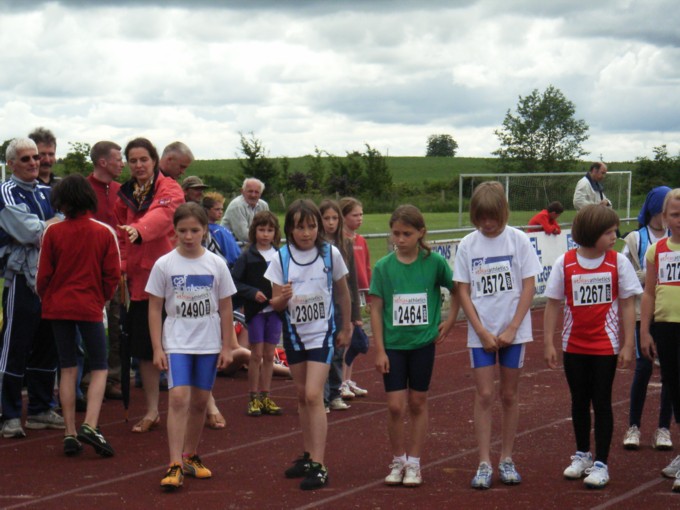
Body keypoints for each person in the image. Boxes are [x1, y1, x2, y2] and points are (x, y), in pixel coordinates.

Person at [453, 181, 542, 489]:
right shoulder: (468, 245)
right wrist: (479, 330)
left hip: (513, 333)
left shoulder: (518, 240)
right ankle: (483, 462)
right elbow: (462, 289)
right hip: (482, 333)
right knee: (485, 394)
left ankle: (506, 457)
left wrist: (514, 327)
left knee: (508, 395)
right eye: (481, 218)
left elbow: (529, 285)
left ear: (503, 213)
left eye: (493, 218)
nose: (488, 224)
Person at [544, 204, 640, 489]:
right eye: (609, 232)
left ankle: (602, 462)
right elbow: (552, 304)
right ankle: (582, 454)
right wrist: (548, 342)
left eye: (615, 231)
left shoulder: (616, 262)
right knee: (578, 400)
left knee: (602, 401)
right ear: (591, 232)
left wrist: (627, 344)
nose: (615, 236)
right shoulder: (566, 262)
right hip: (573, 345)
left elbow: (626, 305)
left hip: (605, 346)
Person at [146, 203, 239, 491]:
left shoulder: (216, 264)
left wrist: (227, 346)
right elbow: (154, 308)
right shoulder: (164, 264)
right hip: (177, 340)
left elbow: (226, 307)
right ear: (174, 231)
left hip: (208, 341)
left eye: (194, 230)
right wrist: (157, 348)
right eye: (182, 231)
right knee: (178, 399)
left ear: (205, 230)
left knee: (200, 401)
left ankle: (190, 454)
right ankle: (174, 462)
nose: (188, 236)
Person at [265, 199, 352, 490]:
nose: (306, 233)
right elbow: (275, 302)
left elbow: (343, 292)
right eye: (300, 227)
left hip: (322, 336)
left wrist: (347, 325)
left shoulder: (330, 254)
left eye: (311, 226)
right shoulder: (281, 258)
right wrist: (283, 298)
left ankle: (319, 463)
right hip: (293, 336)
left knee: (315, 395)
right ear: (289, 229)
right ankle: (308, 454)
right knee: (302, 396)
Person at [371, 205, 458, 487]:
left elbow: (458, 288)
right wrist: (380, 350)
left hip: (422, 344)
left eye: (406, 233)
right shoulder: (384, 267)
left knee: (418, 402)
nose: (400, 239)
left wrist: (451, 320)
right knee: (395, 406)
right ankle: (397, 460)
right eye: (395, 233)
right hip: (394, 346)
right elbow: (375, 309)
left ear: (420, 233)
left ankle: (415, 463)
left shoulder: (433, 263)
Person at [36, 174, 121, 457]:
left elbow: (43, 275)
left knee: (67, 366)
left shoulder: (53, 232)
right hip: (90, 305)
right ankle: (91, 424)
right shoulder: (103, 232)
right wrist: (102, 299)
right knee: (99, 365)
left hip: (58, 306)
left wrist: (47, 299)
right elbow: (112, 275)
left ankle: (69, 431)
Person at [114, 137, 184, 433]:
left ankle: (206, 404)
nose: (139, 165)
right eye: (133, 161)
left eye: (144, 159)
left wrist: (137, 230)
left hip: (172, 280)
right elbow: (119, 235)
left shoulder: (169, 188)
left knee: (183, 344)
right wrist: (120, 268)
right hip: (140, 283)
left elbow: (163, 216)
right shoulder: (124, 194)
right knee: (144, 349)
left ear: (154, 161)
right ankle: (153, 410)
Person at [0, 138, 64, 439]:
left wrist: (47, 226)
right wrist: (53, 224)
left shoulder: (49, 191)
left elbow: (68, 224)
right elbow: (29, 232)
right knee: (15, 346)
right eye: (25, 159)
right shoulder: (6, 192)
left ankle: (40, 409)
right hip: (21, 280)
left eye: (36, 157)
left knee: (47, 345)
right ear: (11, 163)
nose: (33, 163)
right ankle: (8, 414)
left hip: (52, 281)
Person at [622, 186, 674, 450]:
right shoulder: (635, 238)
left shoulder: (673, 236)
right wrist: (645, 276)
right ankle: (634, 426)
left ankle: (664, 428)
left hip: (668, 313)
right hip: (644, 310)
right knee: (643, 367)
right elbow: (625, 272)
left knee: (669, 373)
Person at [639, 188, 680, 493]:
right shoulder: (657, 251)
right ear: (664, 217)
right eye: (675, 215)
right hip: (665, 328)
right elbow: (650, 292)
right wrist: (644, 330)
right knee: (675, 388)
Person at [231, 211, 284, 417]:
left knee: (271, 355)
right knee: (257, 355)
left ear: (275, 233)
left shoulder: (280, 255)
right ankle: (252, 396)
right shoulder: (247, 256)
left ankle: (266, 395)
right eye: (261, 230)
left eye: (270, 230)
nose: (265, 234)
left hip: (276, 311)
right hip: (256, 312)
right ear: (255, 231)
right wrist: (253, 293)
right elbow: (234, 281)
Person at [88, 141, 126, 401]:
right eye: (118, 159)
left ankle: (112, 377)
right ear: (103, 162)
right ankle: (85, 379)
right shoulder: (83, 189)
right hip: (91, 269)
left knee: (117, 323)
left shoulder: (122, 191)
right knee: (91, 325)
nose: (122, 163)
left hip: (119, 268)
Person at [319, 199, 362, 412]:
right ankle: (323, 397)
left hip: (340, 306)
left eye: (334, 218)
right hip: (320, 308)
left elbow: (351, 281)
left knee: (338, 351)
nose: (330, 223)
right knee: (322, 352)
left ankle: (335, 393)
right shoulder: (314, 248)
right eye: (326, 218)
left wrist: (355, 314)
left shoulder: (344, 245)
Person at [339, 197, 371, 399]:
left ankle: (347, 378)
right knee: (347, 336)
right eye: (355, 215)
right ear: (344, 216)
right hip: (346, 293)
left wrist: (368, 294)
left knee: (355, 339)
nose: (360, 218)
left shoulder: (361, 240)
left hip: (360, 292)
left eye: (361, 215)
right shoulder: (340, 241)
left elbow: (366, 266)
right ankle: (340, 380)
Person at [221, 177, 269, 244]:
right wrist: (266, 238)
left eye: (256, 192)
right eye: (250, 191)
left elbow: (268, 226)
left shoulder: (263, 205)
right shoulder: (237, 206)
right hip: (233, 245)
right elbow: (244, 236)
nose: (253, 195)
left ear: (261, 194)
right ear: (242, 192)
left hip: (251, 244)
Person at [202, 191, 241, 267]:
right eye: (217, 209)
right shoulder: (212, 231)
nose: (220, 212)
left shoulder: (220, 228)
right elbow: (232, 253)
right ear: (206, 210)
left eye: (221, 209)